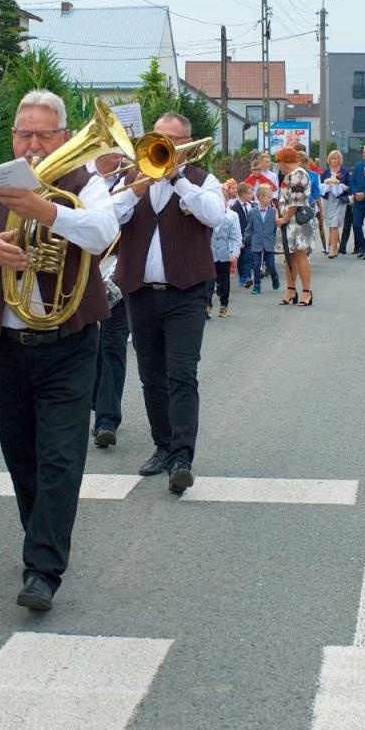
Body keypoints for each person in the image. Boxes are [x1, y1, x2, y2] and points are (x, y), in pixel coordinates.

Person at [0, 90, 119, 613]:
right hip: (4, 339)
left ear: (64, 137)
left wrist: (45, 211)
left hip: (69, 339)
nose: (32, 145)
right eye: (23, 134)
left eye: (43, 135)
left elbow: (103, 233)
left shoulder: (87, 182)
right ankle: (40, 537)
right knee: (21, 454)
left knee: (60, 456)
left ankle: (44, 567)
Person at [112, 112, 225, 494]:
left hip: (186, 292)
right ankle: (162, 446)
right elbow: (107, 220)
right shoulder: (131, 180)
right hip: (140, 292)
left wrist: (176, 178)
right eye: (160, 138)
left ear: (187, 146)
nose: (165, 146)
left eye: (173, 140)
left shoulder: (201, 180)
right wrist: (136, 189)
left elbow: (215, 215)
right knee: (150, 376)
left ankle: (181, 457)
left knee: (181, 374)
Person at [90, 152, 130, 450]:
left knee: (112, 345)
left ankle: (106, 419)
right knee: (85, 347)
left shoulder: (134, 179)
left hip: (118, 273)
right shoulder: (83, 178)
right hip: (82, 275)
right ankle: (92, 403)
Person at [275, 146, 318, 306]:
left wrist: (285, 217)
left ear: (284, 162)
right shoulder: (290, 175)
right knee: (289, 256)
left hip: (298, 221)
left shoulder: (299, 174)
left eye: (279, 162)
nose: (278, 166)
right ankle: (291, 290)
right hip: (288, 221)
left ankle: (306, 292)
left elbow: (297, 200)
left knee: (300, 255)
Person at [211, 182, 242, 317]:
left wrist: (234, 252)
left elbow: (236, 236)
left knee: (224, 280)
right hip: (210, 253)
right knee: (209, 280)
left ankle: (224, 305)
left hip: (225, 252)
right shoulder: (208, 215)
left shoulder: (232, 216)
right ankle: (207, 305)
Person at [246, 183, 279, 292]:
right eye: (268, 197)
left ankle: (275, 278)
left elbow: (275, 229)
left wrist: (274, 240)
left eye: (271, 197)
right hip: (256, 242)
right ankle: (257, 286)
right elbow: (249, 228)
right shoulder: (252, 212)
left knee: (270, 264)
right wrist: (244, 241)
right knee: (256, 265)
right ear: (260, 197)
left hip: (269, 242)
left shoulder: (273, 212)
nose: (270, 199)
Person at [320, 149, 349, 257]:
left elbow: (349, 186)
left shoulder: (345, 172)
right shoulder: (325, 173)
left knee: (335, 224)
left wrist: (344, 187)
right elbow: (320, 186)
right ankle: (333, 244)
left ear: (340, 159)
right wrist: (326, 185)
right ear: (329, 160)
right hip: (328, 200)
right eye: (332, 158)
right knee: (331, 224)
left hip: (339, 200)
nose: (334, 160)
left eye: (336, 158)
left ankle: (333, 249)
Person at [231, 181, 255, 287]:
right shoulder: (235, 207)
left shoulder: (252, 206)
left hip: (250, 237)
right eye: (250, 193)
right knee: (241, 258)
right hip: (239, 237)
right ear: (243, 194)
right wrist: (238, 239)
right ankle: (242, 277)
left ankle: (247, 277)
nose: (252, 195)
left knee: (248, 256)